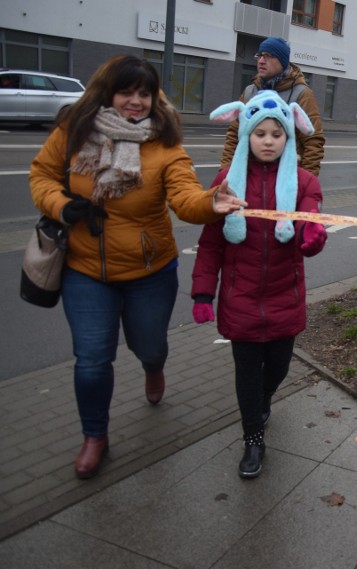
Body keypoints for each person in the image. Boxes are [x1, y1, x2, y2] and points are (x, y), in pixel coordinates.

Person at [28, 55, 247, 480]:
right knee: (91, 359)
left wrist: (210, 202)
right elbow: (41, 177)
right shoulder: (73, 129)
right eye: (126, 92)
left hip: (150, 271)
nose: (135, 101)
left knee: (149, 346)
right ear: (107, 92)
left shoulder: (165, 143)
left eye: (144, 93)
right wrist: (62, 205)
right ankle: (95, 436)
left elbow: (185, 198)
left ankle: (153, 367)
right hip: (84, 268)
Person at [191, 90, 327, 479]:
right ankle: (253, 437)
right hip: (241, 298)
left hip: (286, 295)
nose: (268, 141)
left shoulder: (304, 183)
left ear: (288, 138)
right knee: (247, 373)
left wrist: (312, 235)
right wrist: (203, 292)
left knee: (279, 368)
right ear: (247, 134)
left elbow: (310, 222)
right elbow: (210, 245)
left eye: (277, 134)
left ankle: (264, 399)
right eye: (260, 133)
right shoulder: (226, 182)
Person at [220, 36, 325, 177]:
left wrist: (305, 183)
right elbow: (234, 135)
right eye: (260, 56)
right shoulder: (250, 91)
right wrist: (226, 173)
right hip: (252, 178)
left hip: (284, 178)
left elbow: (313, 141)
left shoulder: (302, 94)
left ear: (282, 61)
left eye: (268, 56)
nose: (261, 61)